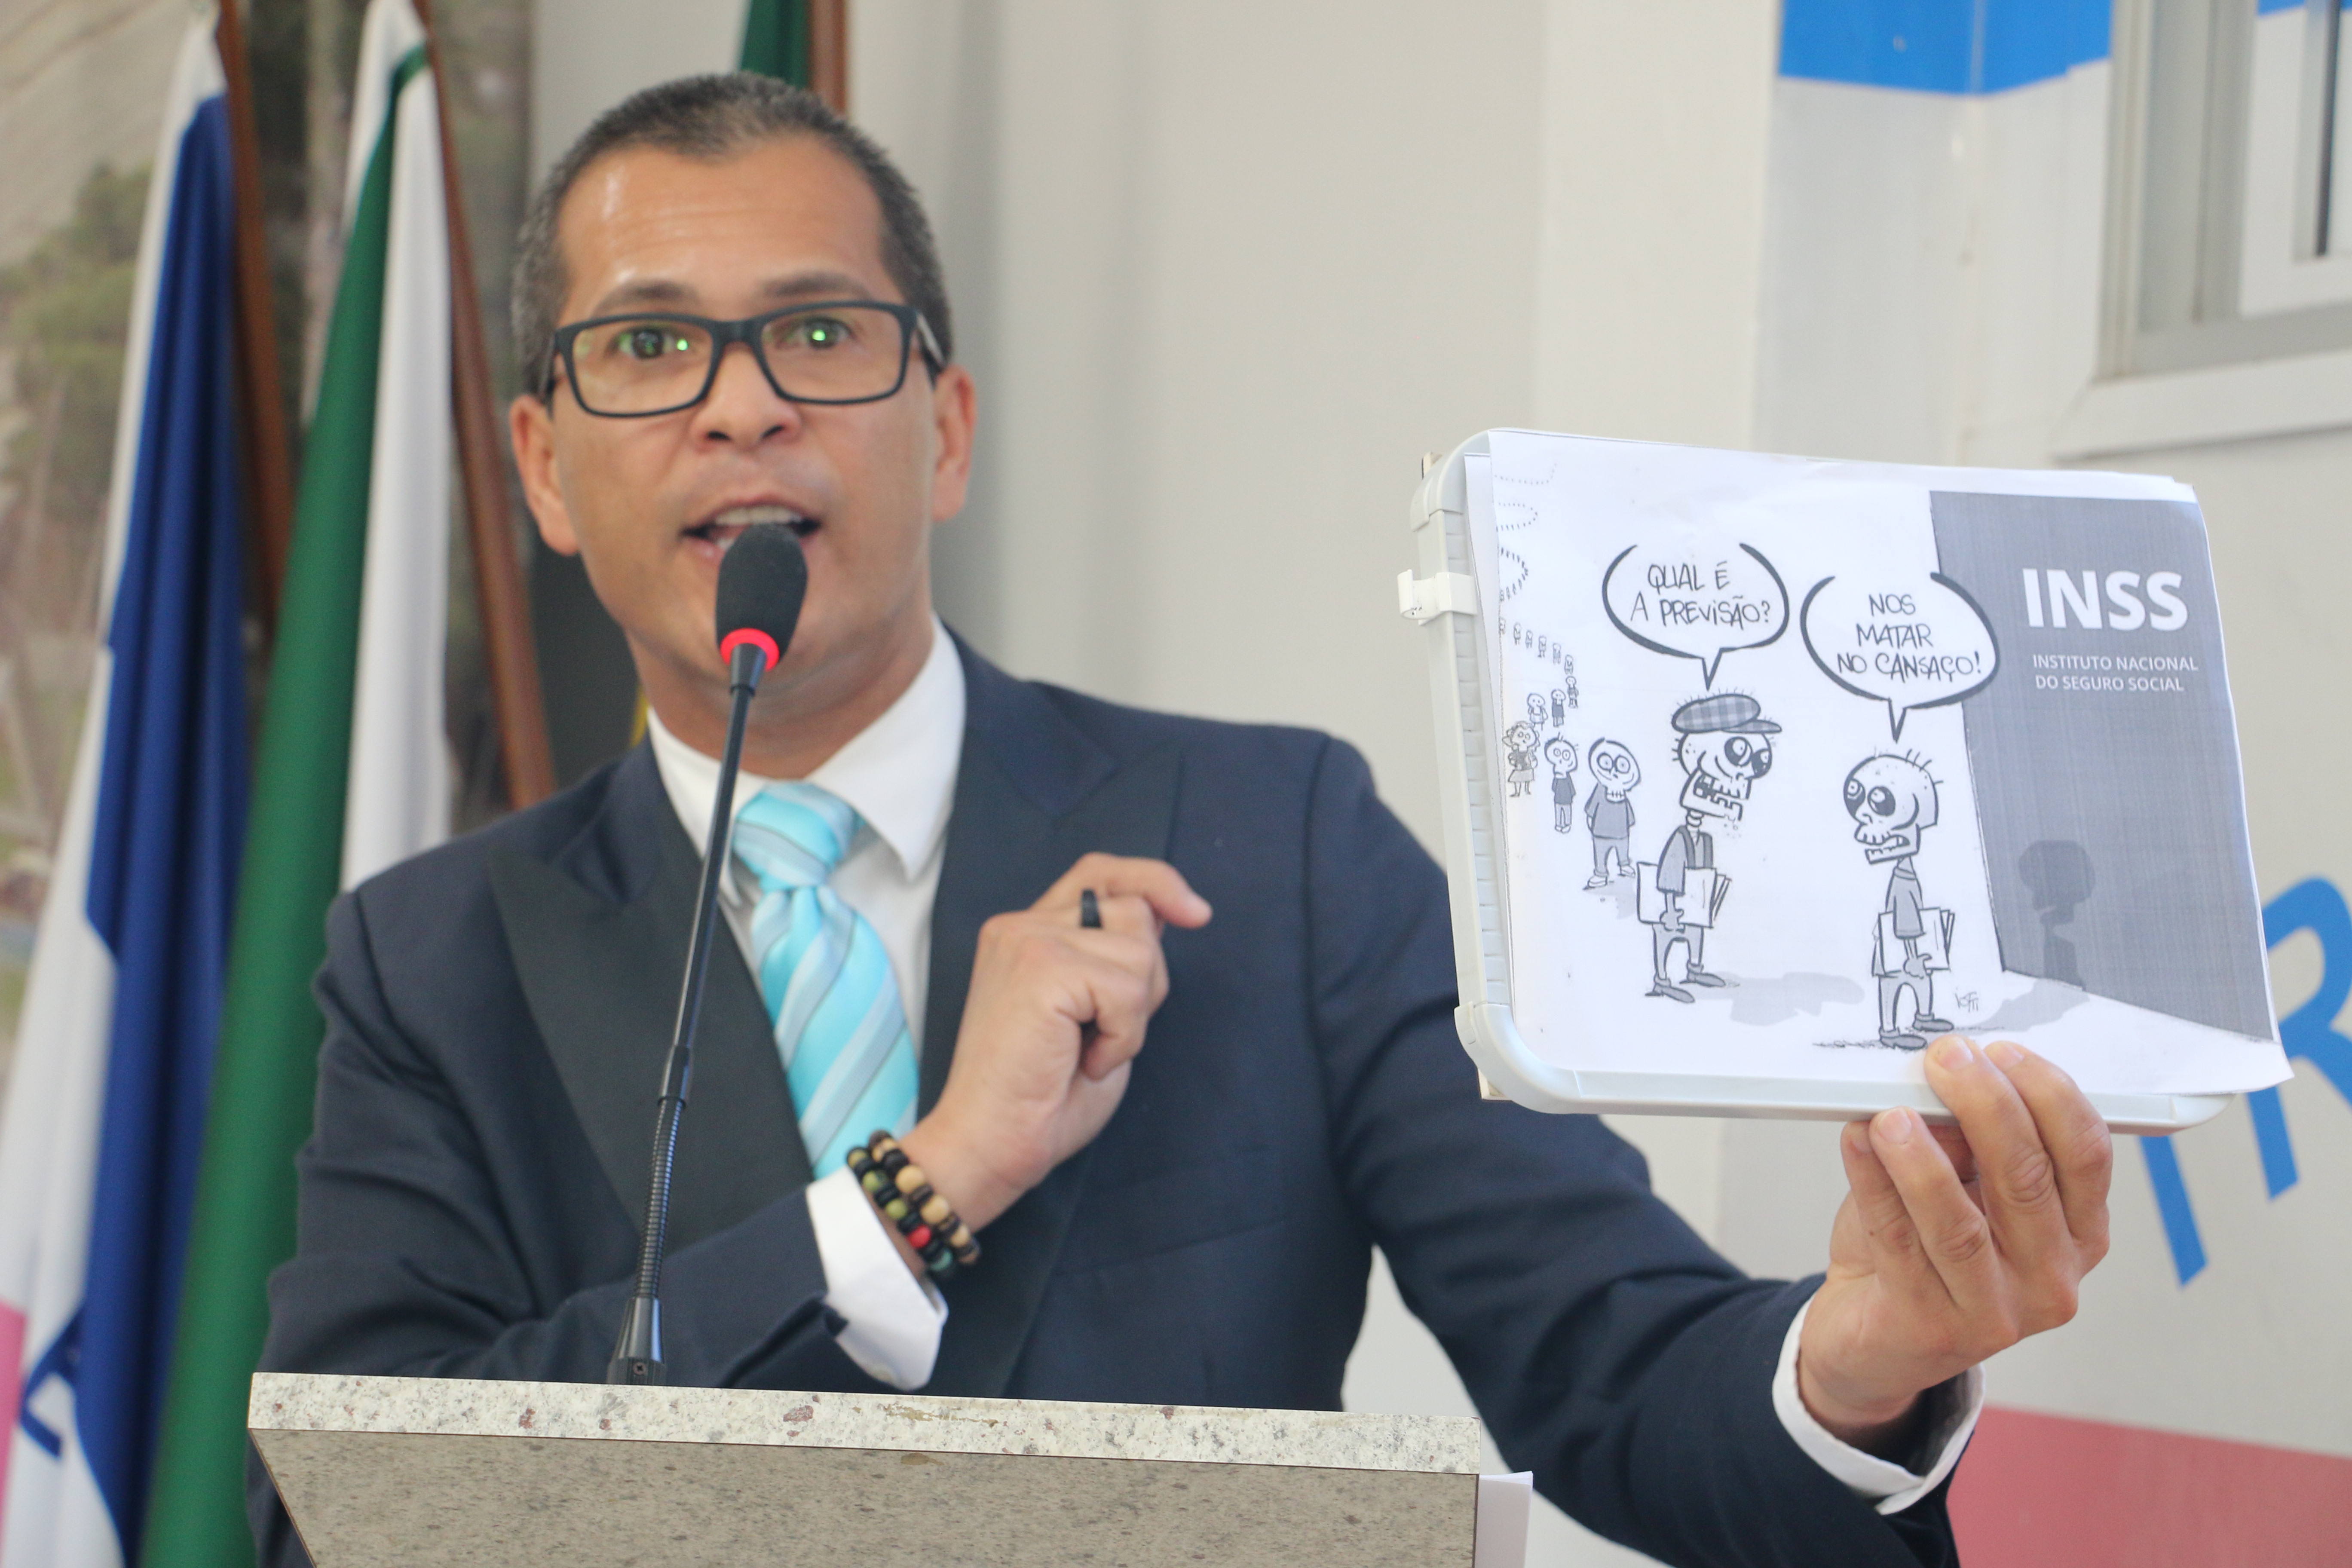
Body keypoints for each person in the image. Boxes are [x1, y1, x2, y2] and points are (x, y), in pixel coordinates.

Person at [251, 75, 2115, 1568]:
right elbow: (344, 1510)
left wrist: (1859, 1363)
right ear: (541, 468)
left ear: (947, 430)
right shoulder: (431, 959)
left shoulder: (1275, 845)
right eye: (653, 349)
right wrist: (920, 1191)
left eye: (819, 332)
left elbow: (1609, 1360)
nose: (743, 410)